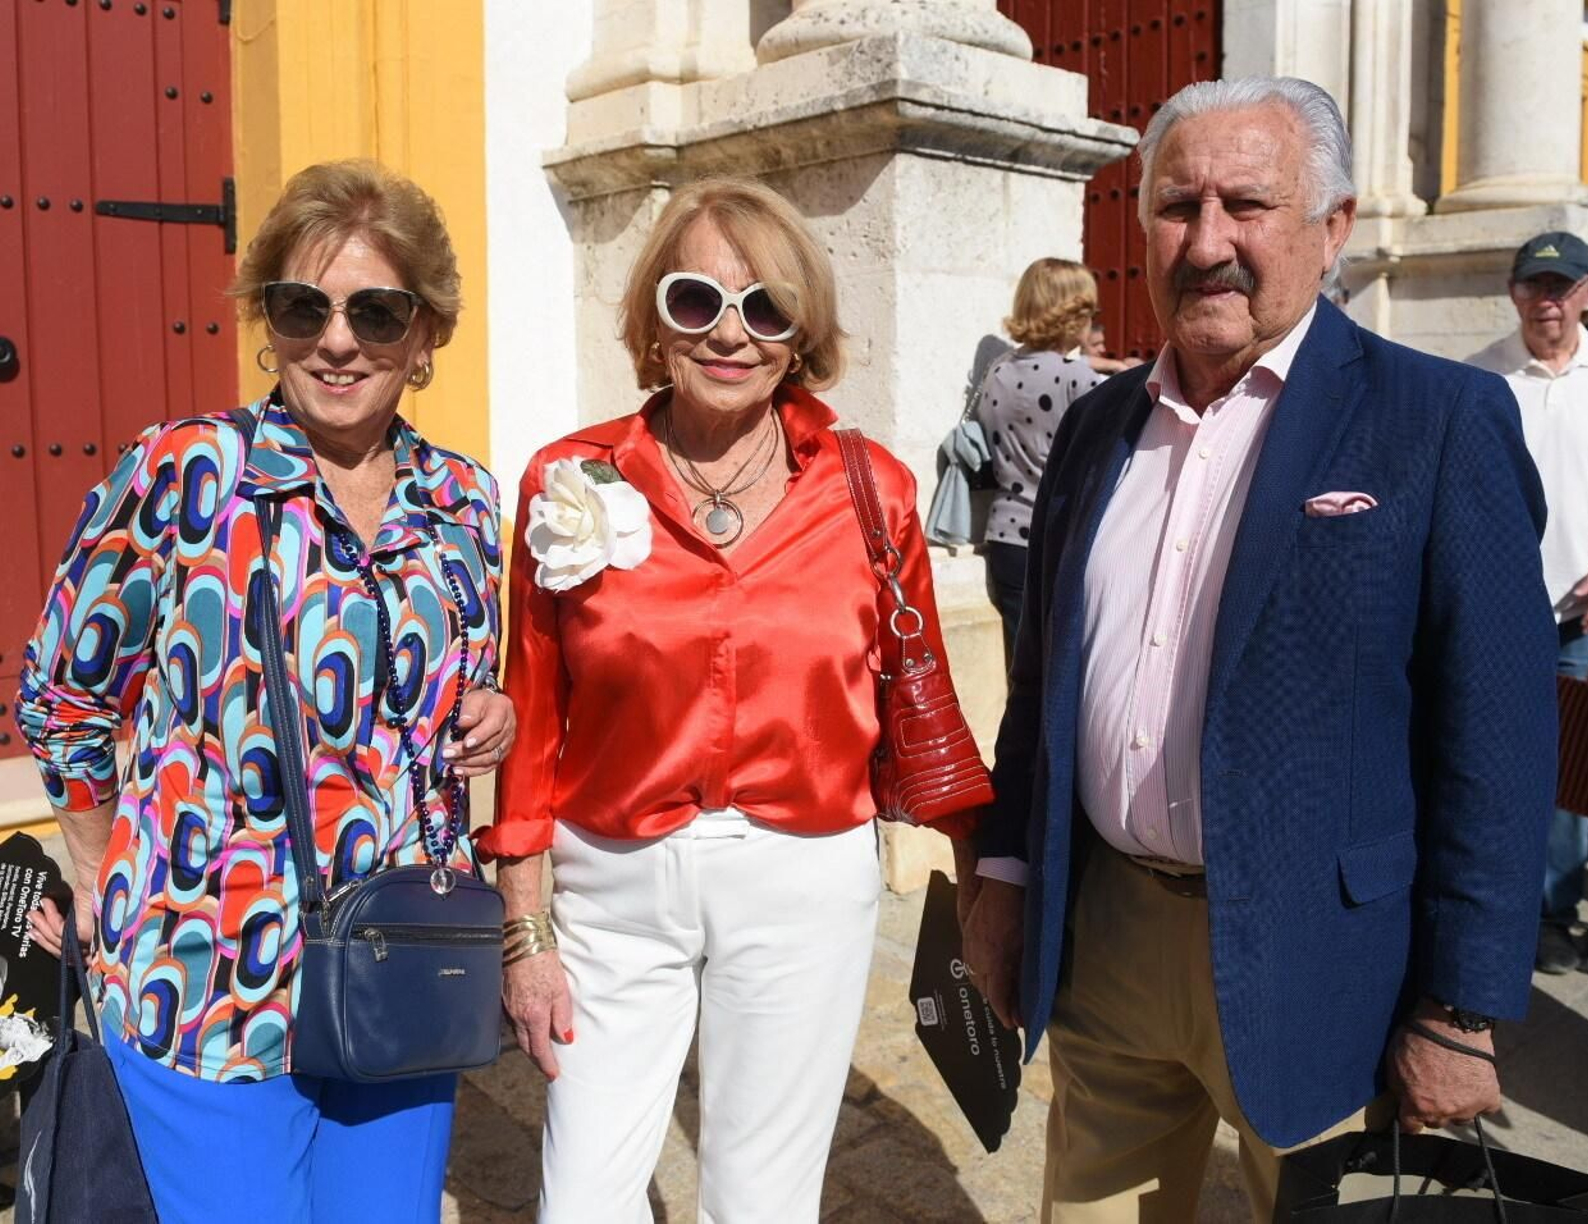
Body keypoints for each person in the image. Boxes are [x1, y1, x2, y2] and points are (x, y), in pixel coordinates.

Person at [957, 77, 1553, 1223]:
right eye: (1177, 206)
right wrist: (1002, 877)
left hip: (1326, 960)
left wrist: (1461, 1012)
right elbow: (1042, 681)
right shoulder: (1098, 422)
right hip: (1109, 938)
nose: (1208, 242)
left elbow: (1499, 735)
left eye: (1248, 205)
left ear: (1331, 230)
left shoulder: (1435, 420)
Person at [16, 159, 513, 1223]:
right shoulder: (189, 471)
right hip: (210, 974)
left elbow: (458, 687)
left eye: (376, 312)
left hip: (401, 977)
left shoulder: (464, 500)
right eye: (304, 307)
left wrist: (493, 714)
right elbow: (63, 688)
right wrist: (98, 861)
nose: (338, 341)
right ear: (269, 320)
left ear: (425, 335)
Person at [479, 176, 981, 1223]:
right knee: (579, 1199)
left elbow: (917, 686)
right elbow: (530, 720)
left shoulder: (869, 488)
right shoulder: (569, 481)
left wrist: (986, 879)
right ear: (653, 320)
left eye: (765, 309)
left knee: (761, 1199)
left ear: (801, 336)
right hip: (610, 879)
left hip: (799, 879)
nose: (729, 333)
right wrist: (527, 934)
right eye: (696, 301)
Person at [1464, 232, 1588, 976]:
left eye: (1562, 285)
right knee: (1486, 762)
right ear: (1513, 293)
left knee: (1571, 774)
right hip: (1492, 613)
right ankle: (1490, 907)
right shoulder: (1479, 380)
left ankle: (1554, 910)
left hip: (1579, 617)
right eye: (1534, 285)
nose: (1547, 300)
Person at [978, 258, 1104, 662]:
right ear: (1073, 315)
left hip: (1005, 540)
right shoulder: (1077, 380)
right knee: (1062, 670)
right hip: (1060, 539)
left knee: (1021, 671)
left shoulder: (996, 371)